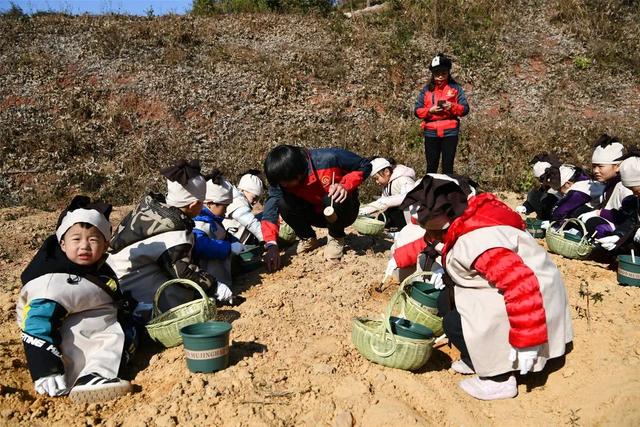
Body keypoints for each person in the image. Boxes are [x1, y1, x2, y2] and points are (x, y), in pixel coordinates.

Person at [400, 175, 573, 401]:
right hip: (527, 300)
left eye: (429, 228)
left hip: (533, 311)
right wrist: (400, 257)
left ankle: (499, 379)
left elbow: (521, 286)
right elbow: (430, 242)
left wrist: (528, 341)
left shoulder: (477, 241)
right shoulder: (471, 219)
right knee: (446, 301)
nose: (428, 234)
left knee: (454, 322)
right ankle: (477, 357)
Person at [17, 196, 135, 402]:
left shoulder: (95, 268)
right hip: (68, 341)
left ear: (106, 243)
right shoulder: (53, 280)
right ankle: (91, 375)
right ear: (62, 244)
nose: (84, 246)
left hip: (91, 321)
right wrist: (45, 367)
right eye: (76, 239)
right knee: (105, 333)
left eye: (93, 239)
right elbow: (37, 321)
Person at [107, 160, 231, 321]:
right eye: (201, 203)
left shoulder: (155, 208)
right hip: (132, 289)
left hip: (116, 276)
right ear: (194, 204)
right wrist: (215, 286)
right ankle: (158, 318)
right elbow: (183, 272)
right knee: (180, 293)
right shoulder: (174, 231)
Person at [261, 145, 371, 269]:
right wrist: (271, 244)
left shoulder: (330, 158)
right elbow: (270, 210)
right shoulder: (282, 180)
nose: (283, 185)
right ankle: (308, 238)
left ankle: (336, 237)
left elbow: (365, 164)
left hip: (343, 211)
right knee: (281, 202)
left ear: (297, 174)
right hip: (316, 213)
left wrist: (345, 185)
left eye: (285, 183)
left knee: (331, 194)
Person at [193, 171, 245, 302]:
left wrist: (235, 242)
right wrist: (228, 248)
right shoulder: (198, 223)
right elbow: (201, 246)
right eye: (224, 207)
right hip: (208, 280)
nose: (226, 211)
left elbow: (223, 235)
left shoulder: (213, 220)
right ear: (210, 203)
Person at [414, 53, 469, 174]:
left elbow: (465, 109)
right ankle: (431, 191)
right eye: (437, 73)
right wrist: (429, 111)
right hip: (431, 132)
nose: (440, 76)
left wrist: (452, 107)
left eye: (443, 73)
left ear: (448, 72)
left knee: (448, 166)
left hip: (450, 131)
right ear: (432, 74)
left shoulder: (456, 88)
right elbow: (417, 111)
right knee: (431, 166)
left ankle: (446, 192)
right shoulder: (426, 90)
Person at [592, 151, 640, 251]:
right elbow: (631, 222)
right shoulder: (635, 201)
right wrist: (618, 236)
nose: (634, 194)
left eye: (636, 190)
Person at [359, 157, 416, 230]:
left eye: (377, 178)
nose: (376, 182)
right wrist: (366, 209)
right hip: (398, 215)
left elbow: (410, 197)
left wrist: (384, 202)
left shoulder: (404, 179)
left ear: (387, 172)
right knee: (382, 217)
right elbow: (382, 201)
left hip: (409, 218)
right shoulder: (387, 184)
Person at [515, 153, 562, 220]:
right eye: (539, 179)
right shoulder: (537, 191)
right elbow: (534, 202)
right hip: (542, 222)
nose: (541, 181)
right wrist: (525, 207)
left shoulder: (561, 186)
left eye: (542, 178)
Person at [222, 170, 264, 245]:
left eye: (257, 199)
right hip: (230, 243)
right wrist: (266, 239)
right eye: (254, 198)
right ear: (243, 190)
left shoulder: (239, 199)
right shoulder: (237, 202)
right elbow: (251, 223)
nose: (255, 202)